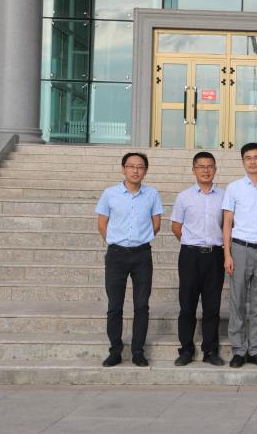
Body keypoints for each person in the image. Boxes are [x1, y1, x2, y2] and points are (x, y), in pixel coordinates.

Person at [95, 152, 162, 367]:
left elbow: (156, 223)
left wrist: (140, 240)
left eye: (140, 167)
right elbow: (102, 224)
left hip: (142, 255)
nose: (135, 170)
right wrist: (116, 242)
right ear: (123, 169)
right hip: (116, 255)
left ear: (145, 171)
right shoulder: (110, 194)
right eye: (131, 166)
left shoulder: (152, 194)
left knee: (141, 305)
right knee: (115, 305)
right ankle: (115, 350)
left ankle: (138, 351)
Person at [222, 142, 257, 368]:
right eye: (248, 158)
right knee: (237, 301)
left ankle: (255, 349)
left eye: (256, 157)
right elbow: (227, 222)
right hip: (240, 249)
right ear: (243, 161)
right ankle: (238, 350)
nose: (253, 161)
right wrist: (227, 255)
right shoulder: (234, 188)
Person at [170, 152, 225, 367]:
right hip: (190, 256)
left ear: (215, 169)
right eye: (201, 166)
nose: (205, 170)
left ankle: (210, 350)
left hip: (215, 255)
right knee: (187, 305)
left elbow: (229, 225)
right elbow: (176, 226)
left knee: (212, 306)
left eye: (209, 166)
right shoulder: (184, 197)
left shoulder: (224, 196)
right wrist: (191, 243)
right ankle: (186, 349)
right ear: (193, 170)